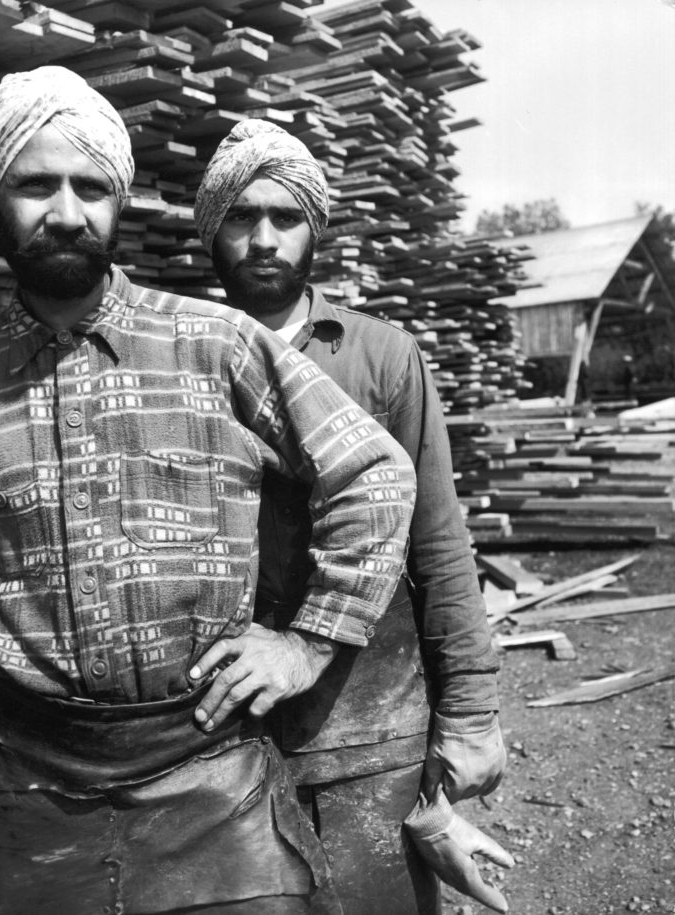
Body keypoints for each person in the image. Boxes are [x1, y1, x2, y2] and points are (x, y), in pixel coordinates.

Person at [0, 69, 419, 915]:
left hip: (206, 770)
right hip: (27, 788)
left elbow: (371, 470)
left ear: (121, 201)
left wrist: (309, 642)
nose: (67, 212)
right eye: (37, 184)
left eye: (92, 187)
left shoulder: (213, 344)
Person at [194, 120, 510, 914]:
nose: (264, 238)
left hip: (372, 728)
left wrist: (470, 711)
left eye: (286, 216)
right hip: (219, 737)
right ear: (212, 229)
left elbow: (437, 541)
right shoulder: (180, 355)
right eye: (241, 216)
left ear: (315, 228)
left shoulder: (379, 355)